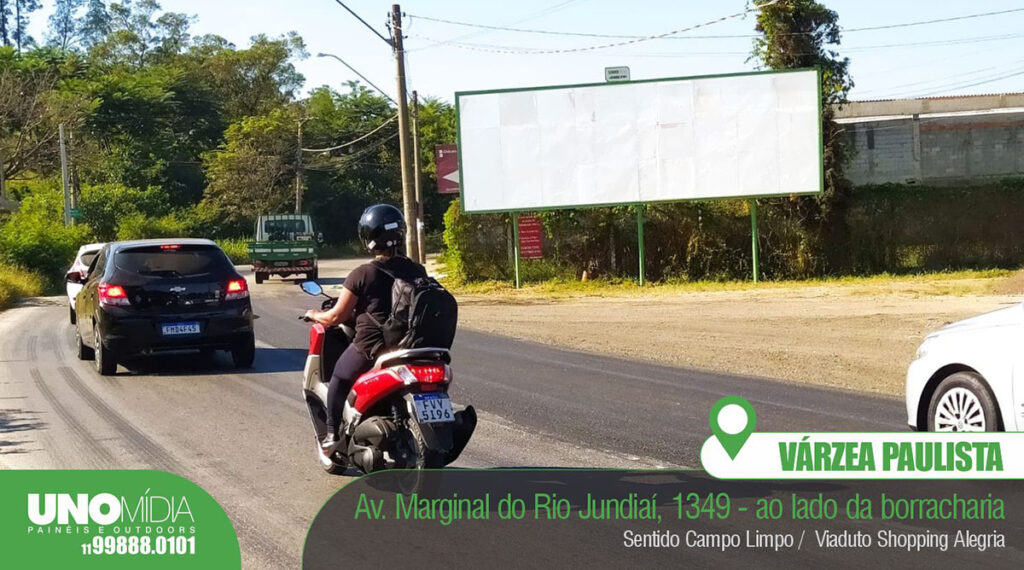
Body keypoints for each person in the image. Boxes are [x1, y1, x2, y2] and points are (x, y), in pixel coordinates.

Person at [303, 204, 428, 452]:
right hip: (410, 344)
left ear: (368, 237)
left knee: (339, 378)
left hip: (374, 346)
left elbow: (337, 316)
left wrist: (314, 314)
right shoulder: (418, 270)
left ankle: (331, 435)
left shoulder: (363, 274)